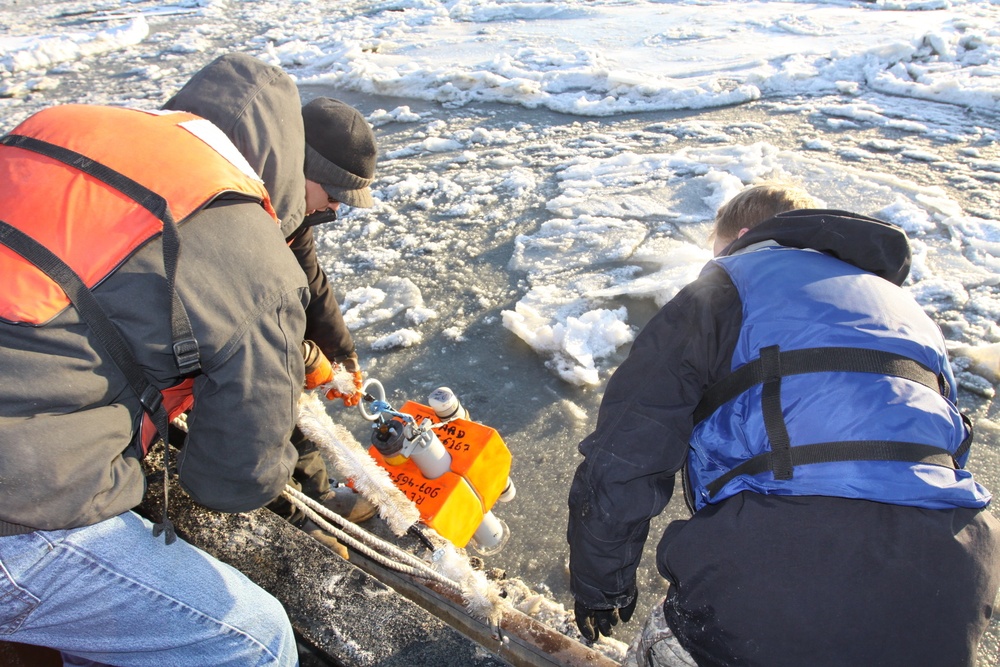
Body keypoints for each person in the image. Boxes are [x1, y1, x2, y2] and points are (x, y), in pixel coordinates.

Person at [567, 182, 1000, 667]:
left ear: (745, 236)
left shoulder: (731, 282)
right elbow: (947, 454)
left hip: (776, 581)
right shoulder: (911, 317)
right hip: (952, 587)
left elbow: (627, 452)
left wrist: (600, 586)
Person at [0, 104, 305, 664]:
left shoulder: (68, 127)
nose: (323, 212)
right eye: (327, 201)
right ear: (285, 165)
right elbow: (228, 483)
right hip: (14, 505)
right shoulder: (258, 259)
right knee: (257, 641)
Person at [162, 54, 378, 551]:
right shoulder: (228, 210)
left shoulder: (284, 203)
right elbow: (255, 349)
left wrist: (340, 353)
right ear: (303, 166)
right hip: (185, 350)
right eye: (333, 192)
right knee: (264, 400)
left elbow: (308, 277)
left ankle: (317, 500)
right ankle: (293, 521)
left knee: (287, 388)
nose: (336, 207)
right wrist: (302, 356)